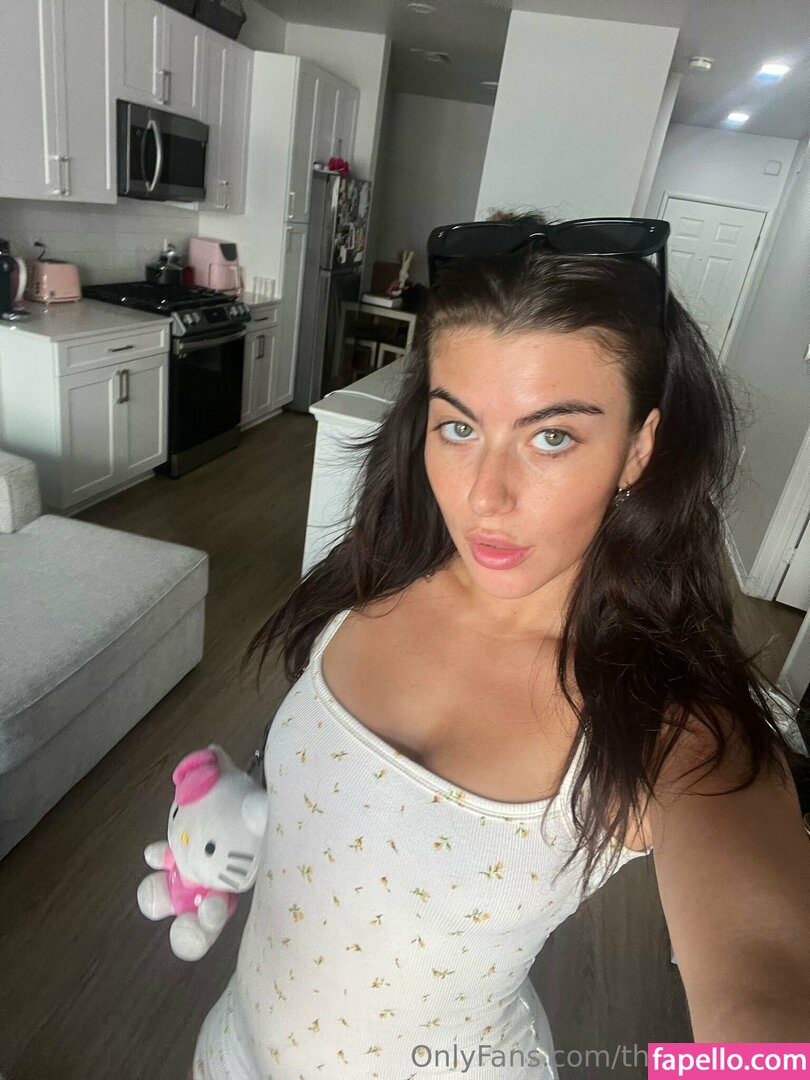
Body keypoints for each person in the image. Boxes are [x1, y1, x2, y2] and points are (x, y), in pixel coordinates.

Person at [188, 211, 810, 1079]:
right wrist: (237, 812)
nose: (485, 496)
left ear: (639, 448)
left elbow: (767, 1001)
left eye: (552, 436)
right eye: (459, 427)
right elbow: (341, 809)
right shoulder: (381, 570)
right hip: (229, 1053)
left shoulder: (674, 727)